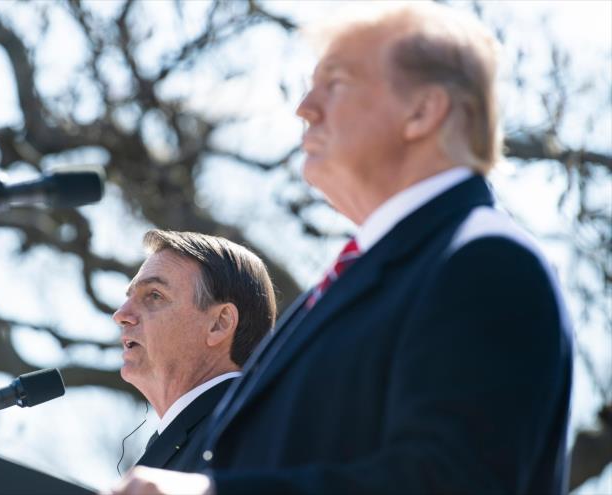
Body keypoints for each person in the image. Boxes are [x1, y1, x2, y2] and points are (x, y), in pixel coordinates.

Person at [109, 3, 573, 494]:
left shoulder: (485, 264)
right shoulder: (346, 288)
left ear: (422, 110)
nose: (305, 107)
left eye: (336, 83)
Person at [114, 229, 276, 472]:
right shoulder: (195, 434)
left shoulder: (248, 432)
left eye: (154, 295)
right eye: (129, 297)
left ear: (219, 323)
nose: (121, 315)